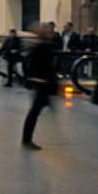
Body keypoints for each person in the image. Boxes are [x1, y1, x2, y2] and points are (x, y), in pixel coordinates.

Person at [21, 22, 58, 150]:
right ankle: (26, 139)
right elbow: (32, 64)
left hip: (43, 82)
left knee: (35, 110)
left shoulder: (43, 45)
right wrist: (35, 78)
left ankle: (26, 139)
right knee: (34, 111)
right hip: (41, 82)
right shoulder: (41, 46)